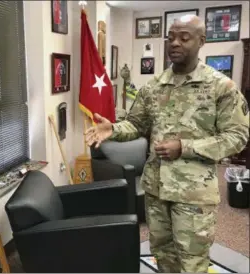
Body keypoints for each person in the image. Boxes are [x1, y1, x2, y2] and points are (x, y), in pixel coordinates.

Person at [85, 15, 249, 273]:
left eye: (184, 38)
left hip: (193, 193)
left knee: (192, 262)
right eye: (171, 37)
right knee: (162, 255)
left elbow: (237, 137)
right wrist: (113, 128)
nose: (175, 43)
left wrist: (185, 147)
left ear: (201, 41)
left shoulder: (222, 87)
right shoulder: (154, 86)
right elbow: (136, 125)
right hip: (156, 189)